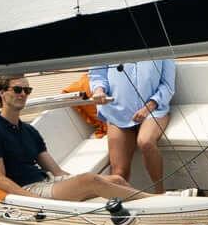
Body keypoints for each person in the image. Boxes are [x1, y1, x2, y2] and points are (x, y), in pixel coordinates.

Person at [0, 75, 144, 203]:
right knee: (89, 180)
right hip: (29, 189)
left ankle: (146, 205)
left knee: (115, 180)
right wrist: (31, 199)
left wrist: (75, 181)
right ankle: (151, 200)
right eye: (17, 90)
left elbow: (57, 172)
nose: (23, 94)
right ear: (2, 93)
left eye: (27, 90)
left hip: (47, 181)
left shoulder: (29, 131)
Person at [75, 57, 177, 192]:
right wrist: (99, 90)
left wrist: (148, 108)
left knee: (145, 142)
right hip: (117, 112)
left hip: (153, 110)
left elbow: (168, 86)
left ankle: (159, 192)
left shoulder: (162, 49)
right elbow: (98, 75)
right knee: (119, 172)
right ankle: (124, 199)